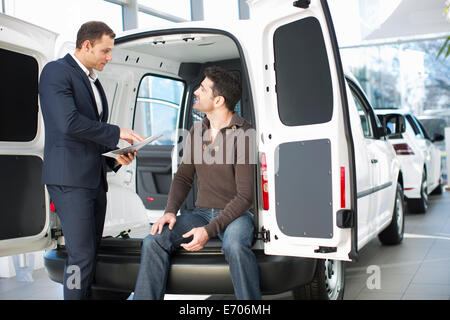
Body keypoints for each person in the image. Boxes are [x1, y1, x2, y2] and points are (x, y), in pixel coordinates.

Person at [133, 66, 261, 300]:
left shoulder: (244, 134)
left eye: (202, 89)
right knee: (154, 240)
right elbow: (183, 176)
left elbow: (245, 197)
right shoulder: (197, 130)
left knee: (234, 245)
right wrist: (170, 212)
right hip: (201, 213)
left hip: (236, 216)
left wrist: (209, 230)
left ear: (219, 100)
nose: (196, 92)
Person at [38, 21, 144, 300]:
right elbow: (68, 123)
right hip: (70, 180)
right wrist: (117, 131)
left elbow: (88, 136)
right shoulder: (56, 72)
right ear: (86, 45)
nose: (109, 57)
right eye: (105, 51)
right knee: (80, 254)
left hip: (93, 178)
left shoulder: (92, 81)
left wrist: (114, 159)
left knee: (90, 251)